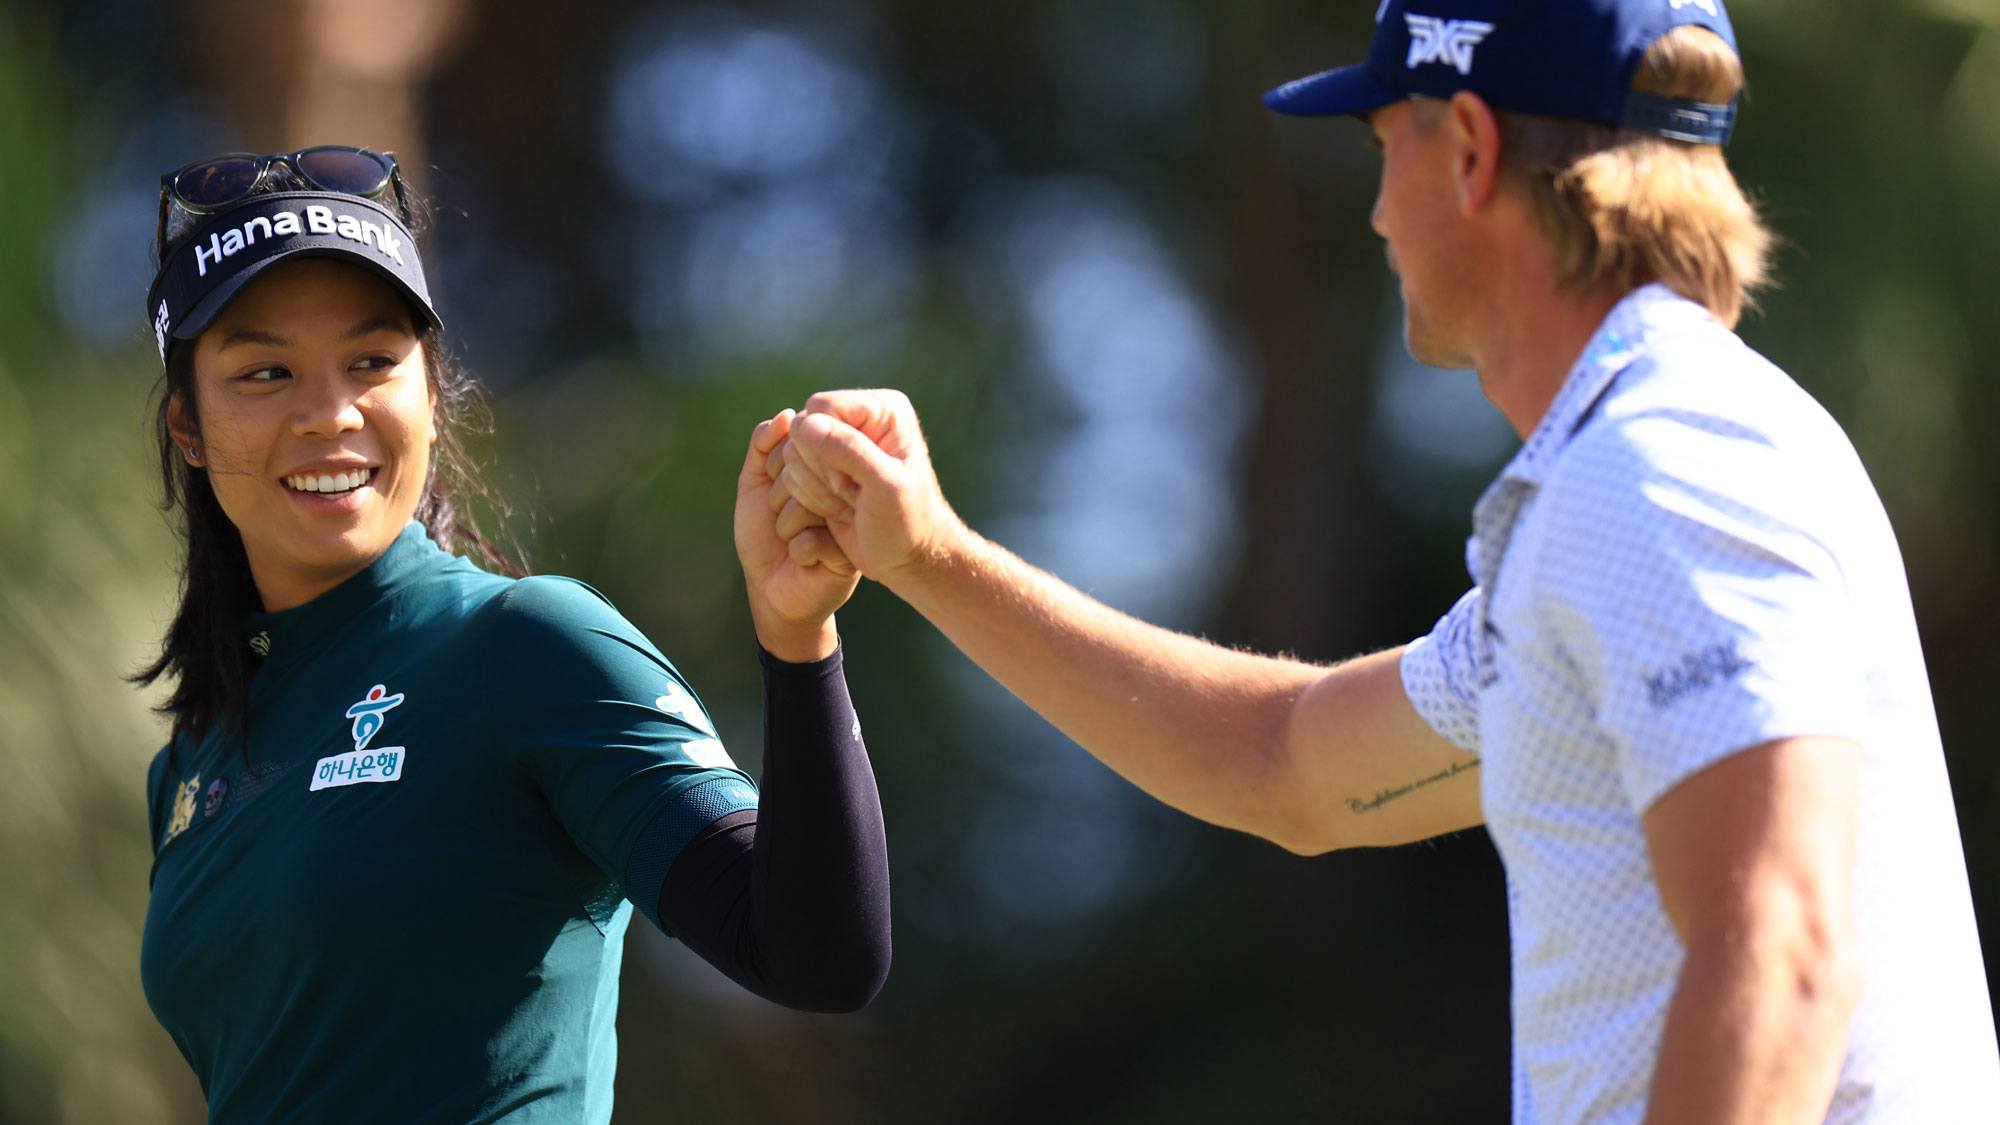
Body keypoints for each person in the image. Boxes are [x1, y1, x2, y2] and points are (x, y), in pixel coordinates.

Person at [762, 1, 2000, 1121]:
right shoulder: (1623, 474)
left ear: (1466, 149)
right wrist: (927, 554)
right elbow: (1288, 764)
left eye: (1382, 146)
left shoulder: (1656, 462)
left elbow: (1780, 951)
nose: (1372, 209)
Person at [133, 146, 890, 1124]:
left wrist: (798, 638)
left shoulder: (527, 645)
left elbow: (817, 957)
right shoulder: (191, 761)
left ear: (432, 394)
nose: (329, 414)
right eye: (265, 371)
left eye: (372, 361)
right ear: (188, 428)